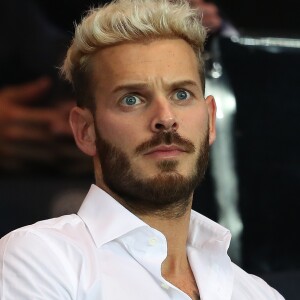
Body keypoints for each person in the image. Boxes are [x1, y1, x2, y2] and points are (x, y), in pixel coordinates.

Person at [0, 0, 284, 299]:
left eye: (182, 94)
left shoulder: (259, 293)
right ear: (86, 130)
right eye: (132, 99)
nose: (165, 118)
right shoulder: (40, 259)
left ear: (211, 120)